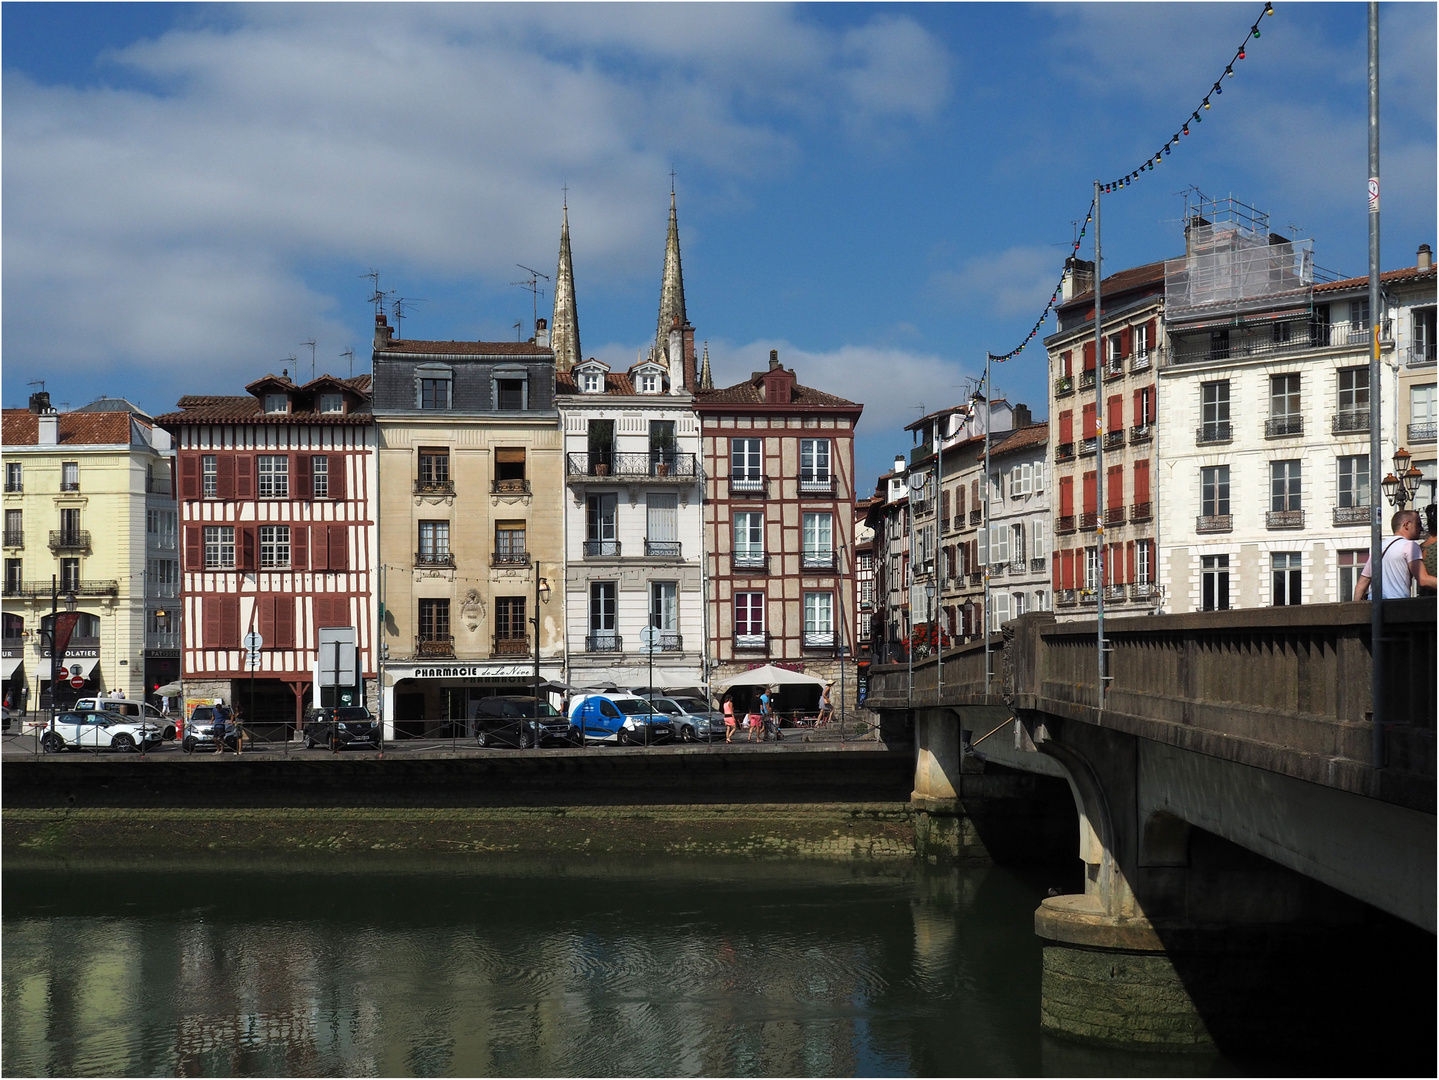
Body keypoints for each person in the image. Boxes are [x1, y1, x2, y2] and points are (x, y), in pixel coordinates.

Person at [1354, 509, 1437, 600]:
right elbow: (1423, 579)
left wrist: (1356, 612)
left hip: (1375, 606)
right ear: (1406, 525)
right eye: (1418, 524)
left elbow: (1360, 586)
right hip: (1397, 605)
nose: (1421, 529)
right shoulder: (1410, 546)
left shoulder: (1378, 548)